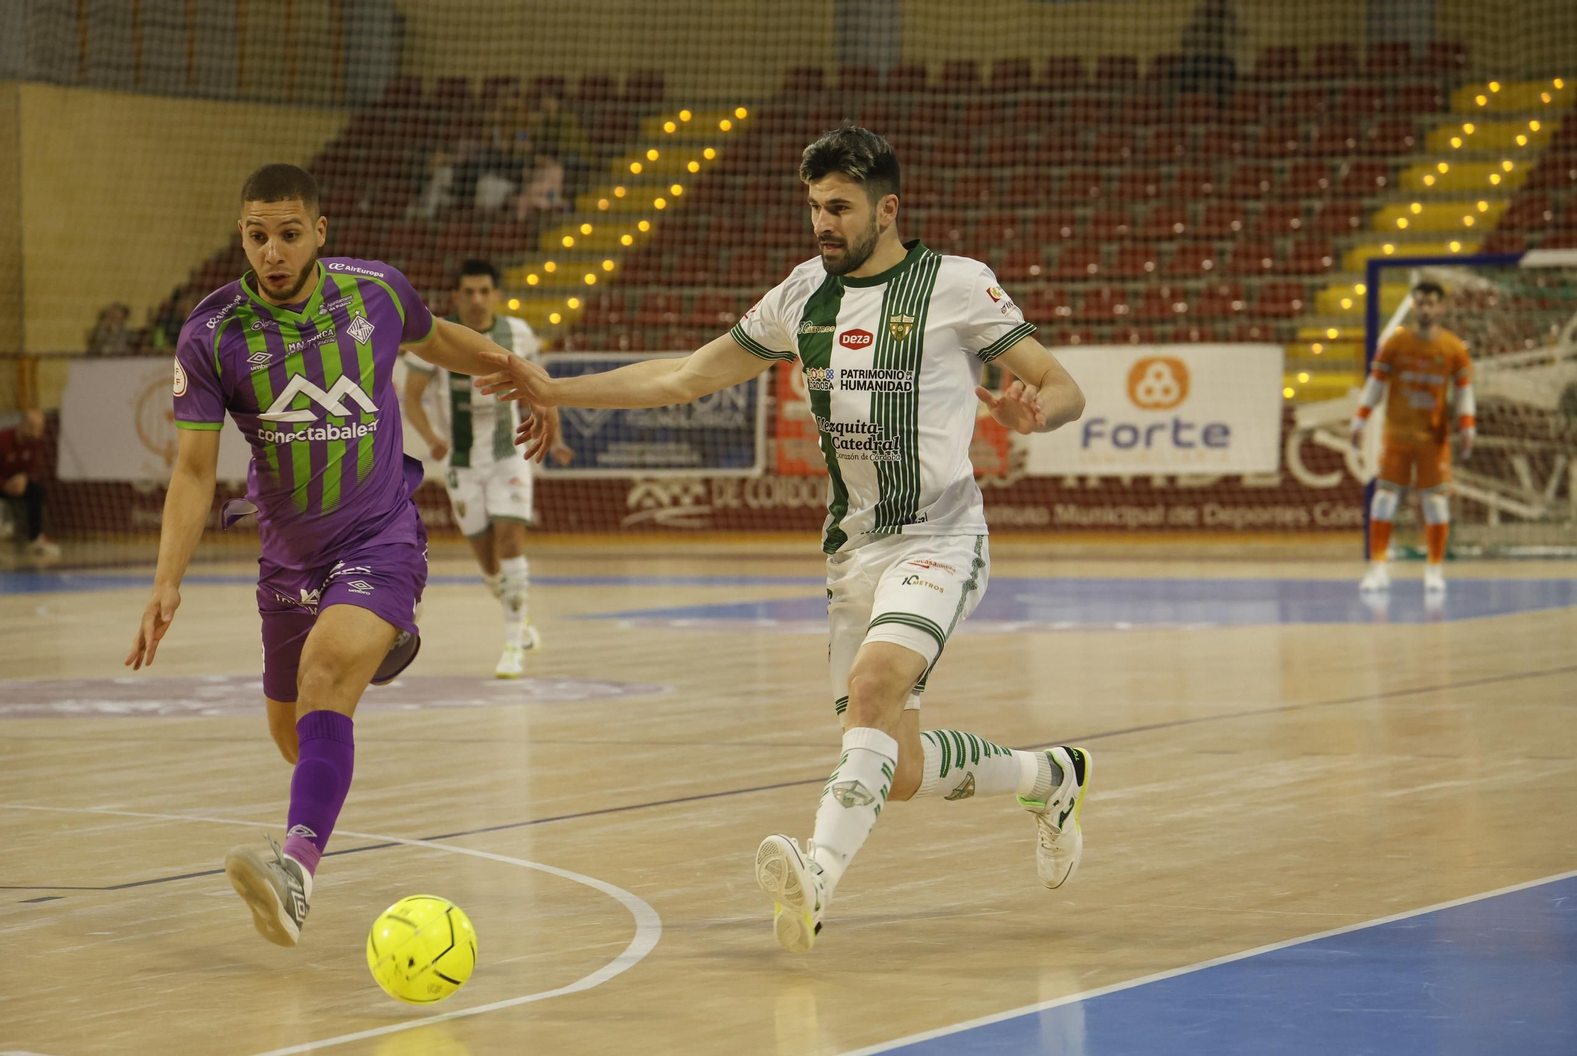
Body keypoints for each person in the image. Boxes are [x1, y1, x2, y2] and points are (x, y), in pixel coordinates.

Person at [476, 125, 1092, 954]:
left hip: (940, 538)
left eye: (838, 207)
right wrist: (557, 386)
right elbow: (686, 376)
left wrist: (1033, 413)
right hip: (852, 555)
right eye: (814, 208)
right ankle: (1051, 777)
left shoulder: (956, 285)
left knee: (875, 687)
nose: (823, 223)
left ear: (888, 209)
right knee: (898, 770)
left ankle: (815, 876)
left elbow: (1063, 386)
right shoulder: (804, 293)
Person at [124, 163, 552, 948]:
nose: (273, 252)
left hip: (379, 535)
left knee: (325, 674)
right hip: (286, 558)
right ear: (243, 236)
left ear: (318, 232)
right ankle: (370, 658)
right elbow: (192, 472)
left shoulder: (378, 292)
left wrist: (510, 365)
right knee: (296, 735)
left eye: (289, 235)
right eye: (258, 237)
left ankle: (295, 872)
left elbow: (437, 339)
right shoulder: (213, 333)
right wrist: (167, 580)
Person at [401, 259, 572, 678]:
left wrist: (557, 435)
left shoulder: (517, 332)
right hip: (461, 462)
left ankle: (512, 642)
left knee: (511, 540)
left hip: (508, 455)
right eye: (469, 292)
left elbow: (540, 388)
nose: (477, 299)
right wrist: (433, 438)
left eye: (484, 291)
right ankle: (518, 615)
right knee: (487, 562)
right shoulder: (437, 335)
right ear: (457, 297)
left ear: (496, 294)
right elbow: (412, 397)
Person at [1352, 280, 1475, 595]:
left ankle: (1434, 570)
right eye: (1420, 303)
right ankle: (1377, 568)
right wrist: (1360, 419)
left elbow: (1464, 391)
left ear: (1441, 307)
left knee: (1435, 503)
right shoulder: (1396, 344)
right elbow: (1376, 384)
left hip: (1433, 439)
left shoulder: (1453, 348)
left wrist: (1467, 425)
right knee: (1384, 498)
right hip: (1397, 436)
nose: (1425, 309)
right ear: (1413, 306)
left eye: (1431, 303)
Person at [0, 409, 60, 560]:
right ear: (21, 424)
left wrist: (24, 479)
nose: (35, 432)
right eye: (31, 426)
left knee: (36, 491)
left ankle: (35, 537)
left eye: (39, 428)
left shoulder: (37, 442)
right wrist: (3, 484)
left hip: (16, 485)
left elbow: (33, 469)